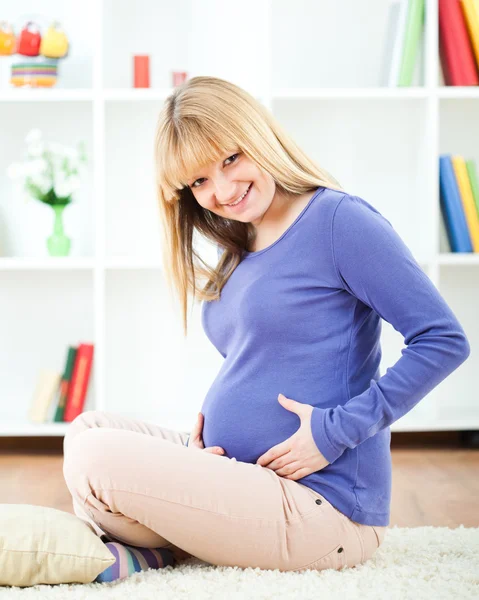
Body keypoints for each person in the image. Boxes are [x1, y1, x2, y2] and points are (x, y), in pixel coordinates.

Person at [63, 76, 471, 580]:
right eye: (199, 181)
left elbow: (443, 340)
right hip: (243, 478)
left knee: (96, 458)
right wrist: (204, 448)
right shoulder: (243, 242)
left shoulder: (340, 222)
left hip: (322, 509)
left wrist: (333, 431)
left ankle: (162, 541)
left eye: (230, 159)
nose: (222, 190)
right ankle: (174, 538)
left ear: (258, 136)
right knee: (88, 429)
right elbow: (264, 365)